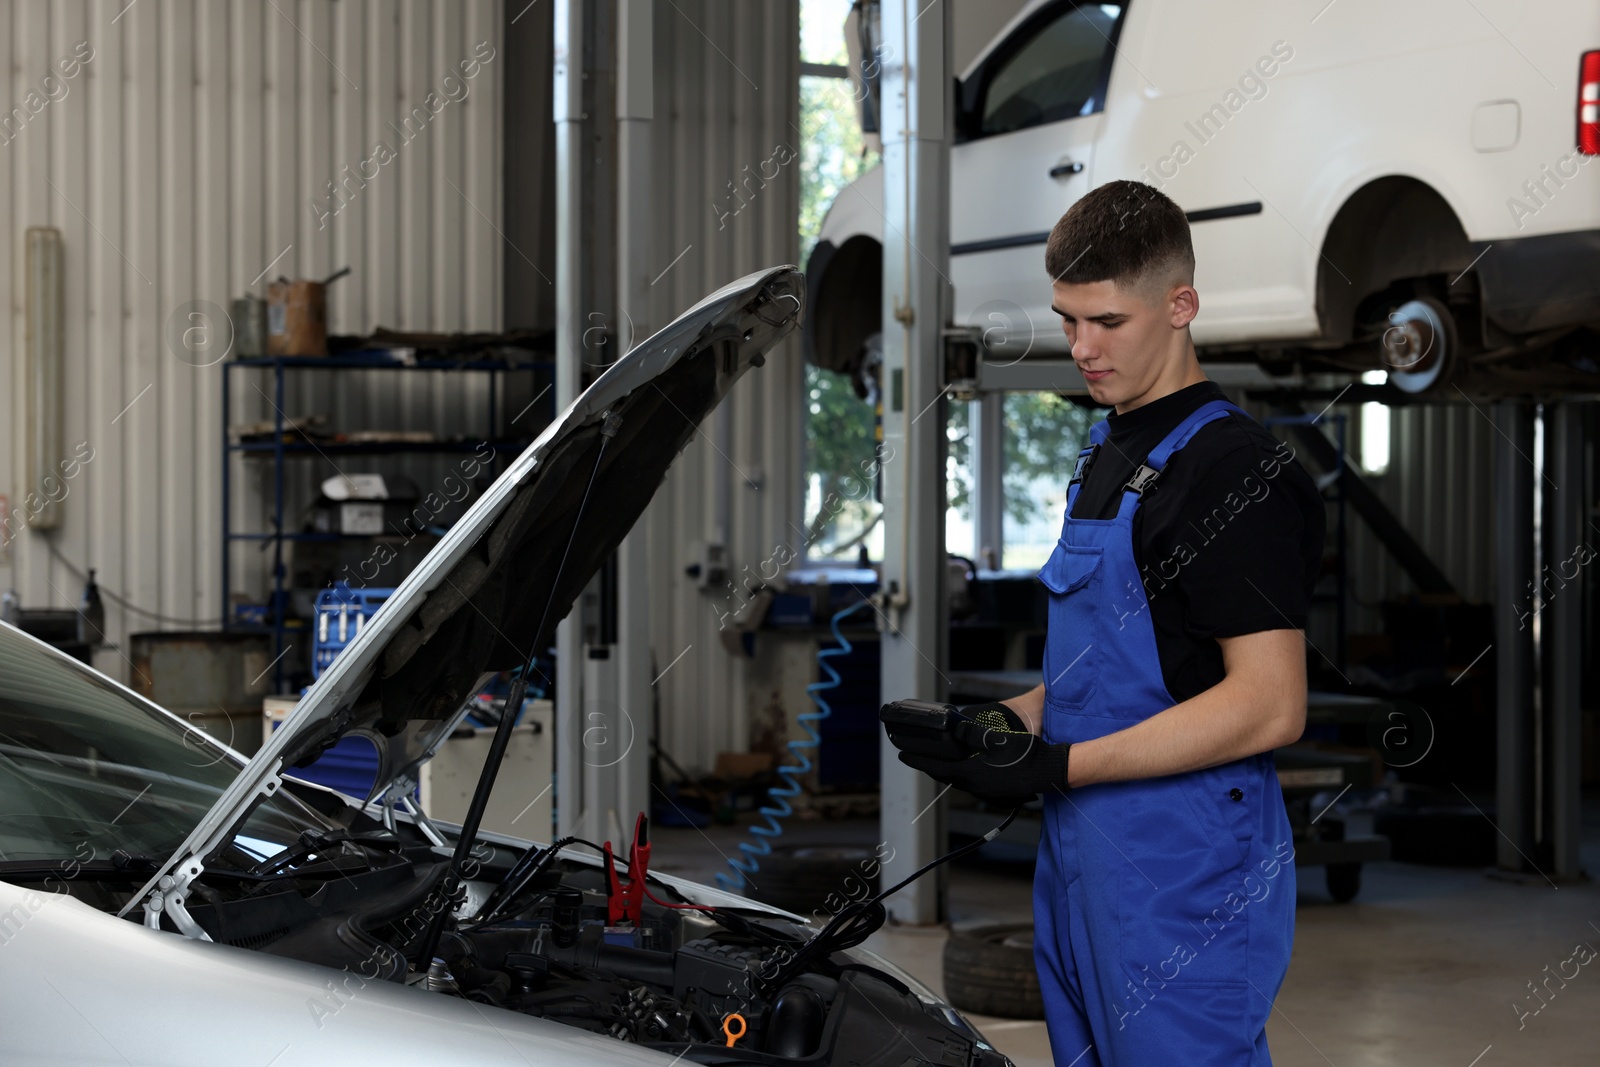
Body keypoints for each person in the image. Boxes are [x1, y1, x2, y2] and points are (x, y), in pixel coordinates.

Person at [895, 180, 1326, 1065]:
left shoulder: (1233, 471)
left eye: (1108, 323)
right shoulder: (1108, 450)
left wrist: (1062, 764)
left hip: (1186, 863)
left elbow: (1270, 703)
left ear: (1181, 304)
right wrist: (1002, 722)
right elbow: (1125, 672)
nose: (1083, 348)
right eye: (1068, 320)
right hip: (1084, 851)